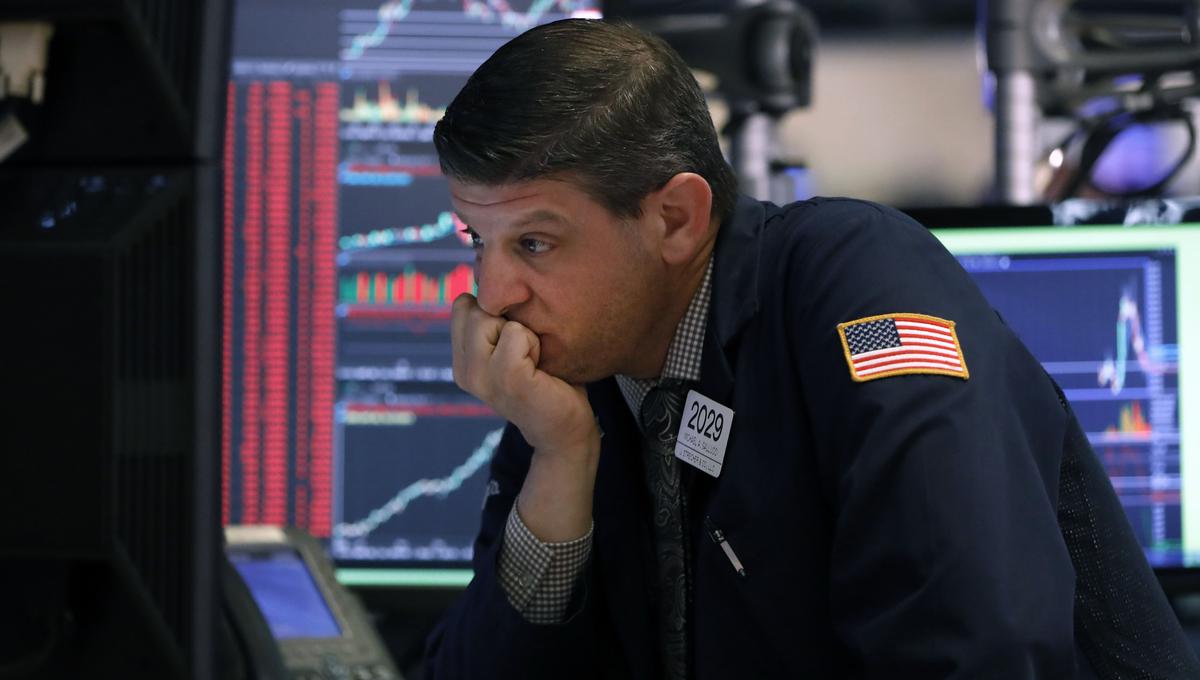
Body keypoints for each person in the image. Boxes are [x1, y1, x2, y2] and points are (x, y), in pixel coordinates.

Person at [422, 18, 1199, 680]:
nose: (492, 295)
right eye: (477, 239)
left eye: (534, 242)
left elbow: (971, 644)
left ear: (675, 219)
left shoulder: (860, 281)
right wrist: (557, 462)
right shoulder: (578, 385)